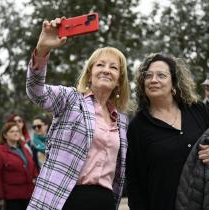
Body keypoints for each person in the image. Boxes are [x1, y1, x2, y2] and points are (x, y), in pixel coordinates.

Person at [25, 17, 130, 210]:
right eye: (100, 65)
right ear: (90, 73)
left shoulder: (122, 121)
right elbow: (36, 92)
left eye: (114, 67)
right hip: (65, 199)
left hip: (104, 202)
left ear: (119, 80)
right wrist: (42, 50)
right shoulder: (71, 99)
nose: (106, 70)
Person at [126, 54, 209, 210]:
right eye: (148, 76)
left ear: (174, 82)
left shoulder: (197, 109)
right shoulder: (137, 127)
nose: (153, 80)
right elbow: (134, 182)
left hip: (208, 203)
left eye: (161, 75)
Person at [0, 122, 38, 210]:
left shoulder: (25, 149)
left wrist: (35, 177)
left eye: (17, 131)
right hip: (11, 197)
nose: (16, 133)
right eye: (12, 131)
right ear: (5, 135)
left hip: (28, 195)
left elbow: (33, 166)